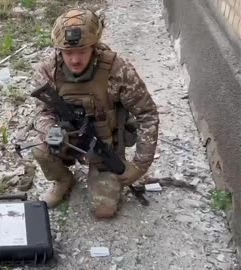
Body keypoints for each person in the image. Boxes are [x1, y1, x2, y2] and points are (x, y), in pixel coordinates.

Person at [32, 8, 159, 218]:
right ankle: (64, 180)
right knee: (38, 146)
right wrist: (51, 131)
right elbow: (41, 111)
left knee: (105, 210)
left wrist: (140, 165)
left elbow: (147, 115)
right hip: (67, 141)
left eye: (82, 51)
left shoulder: (117, 70)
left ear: (94, 46)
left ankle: (97, 174)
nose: (74, 60)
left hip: (104, 147)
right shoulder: (49, 70)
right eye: (68, 52)